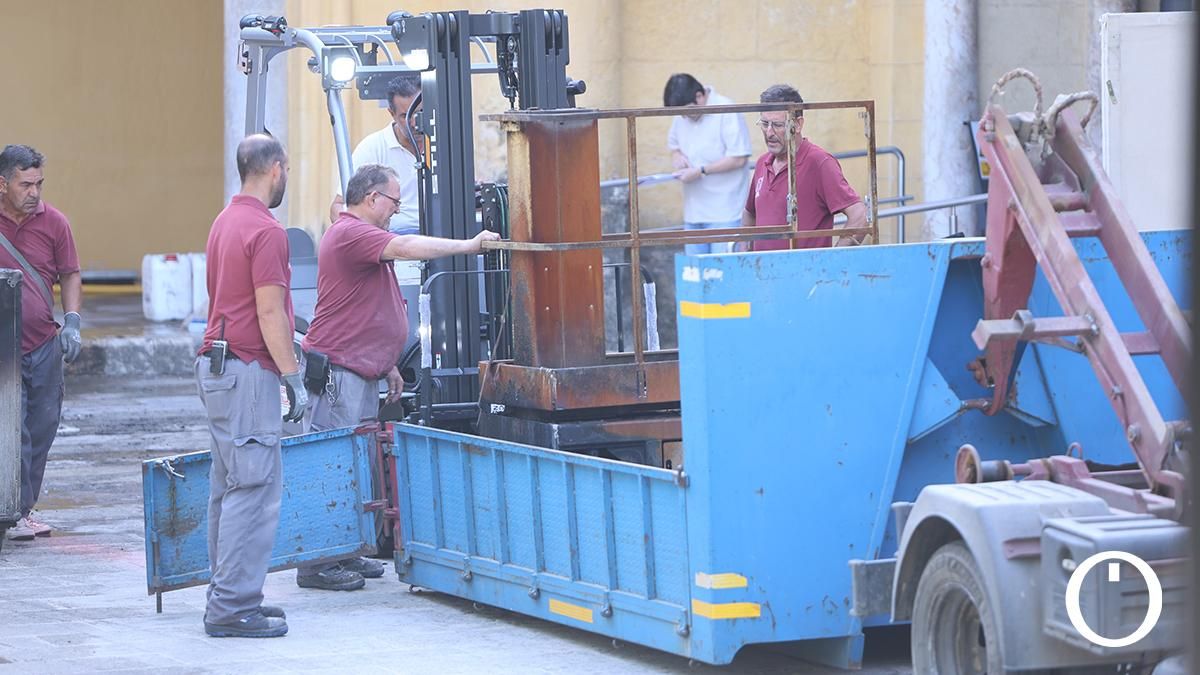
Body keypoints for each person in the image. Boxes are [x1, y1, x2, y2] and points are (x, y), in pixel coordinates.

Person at [295, 164, 500, 591]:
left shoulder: (358, 237)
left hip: (358, 371)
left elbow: (361, 306)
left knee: (359, 463)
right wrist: (469, 245)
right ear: (371, 199)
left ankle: (346, 550)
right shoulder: (350, 232)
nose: (396, 211)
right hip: (339, 375)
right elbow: (407, 247)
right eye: (394, 202)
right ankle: (317, 564)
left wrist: (386, 361)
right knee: (336, 465)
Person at [195, 134, 308, 638]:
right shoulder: (266, 230)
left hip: (217, 368)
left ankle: (227, 594)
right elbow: (268, 312)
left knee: (230, 486)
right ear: (276, 169)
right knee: (255, 488)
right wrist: (293, 379)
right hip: (247, 372)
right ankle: (232, 607)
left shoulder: (224, 221)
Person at [0, 144, 81, 542]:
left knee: (43, 426)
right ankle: (12, 511)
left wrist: (73, 323)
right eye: (25, 184)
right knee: (13, 431)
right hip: (3, 350)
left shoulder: (54, 223)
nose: (34, 192)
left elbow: (70, 273)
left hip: (44, 344)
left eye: (39, 184)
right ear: (3, 184)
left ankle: (22, 509)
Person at [742, 84, 868, 251]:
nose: (769, 132)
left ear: (798, 124)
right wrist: (745, 257)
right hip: (763, 273)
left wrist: (834, 259)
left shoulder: (819, 162)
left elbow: (860, 215)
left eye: (778, 125)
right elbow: (750, 213)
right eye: (765, 124)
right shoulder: (762, 163)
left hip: (806, 273)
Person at [663, 74, 752, 255]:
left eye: (687, 111)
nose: (684, 116)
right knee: (695, 275)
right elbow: (674, 146)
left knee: (722, 274)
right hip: (693, 212)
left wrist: (701, 171)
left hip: (725, 211)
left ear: (699, 96)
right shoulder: (683, 114)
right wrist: (678, 157)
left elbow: (739, 157)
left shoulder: (726, 110)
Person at [329, 74, 422, 233]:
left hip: (441, 235)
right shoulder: (372, 148)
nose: (413, 122)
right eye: (405, 116)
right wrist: (370, 236)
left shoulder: (446, 145)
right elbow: (338, 208)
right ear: (391, 114)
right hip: (388, 237)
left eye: (419, 113)